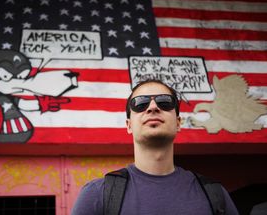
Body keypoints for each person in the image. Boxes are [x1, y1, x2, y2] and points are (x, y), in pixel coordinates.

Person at [71, 79, 239, 215]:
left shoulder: (215, 194)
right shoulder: (97, 195)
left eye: (164, 102)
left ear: (178, 123)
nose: (152, 107)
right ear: (129, 125)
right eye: (140, 103)